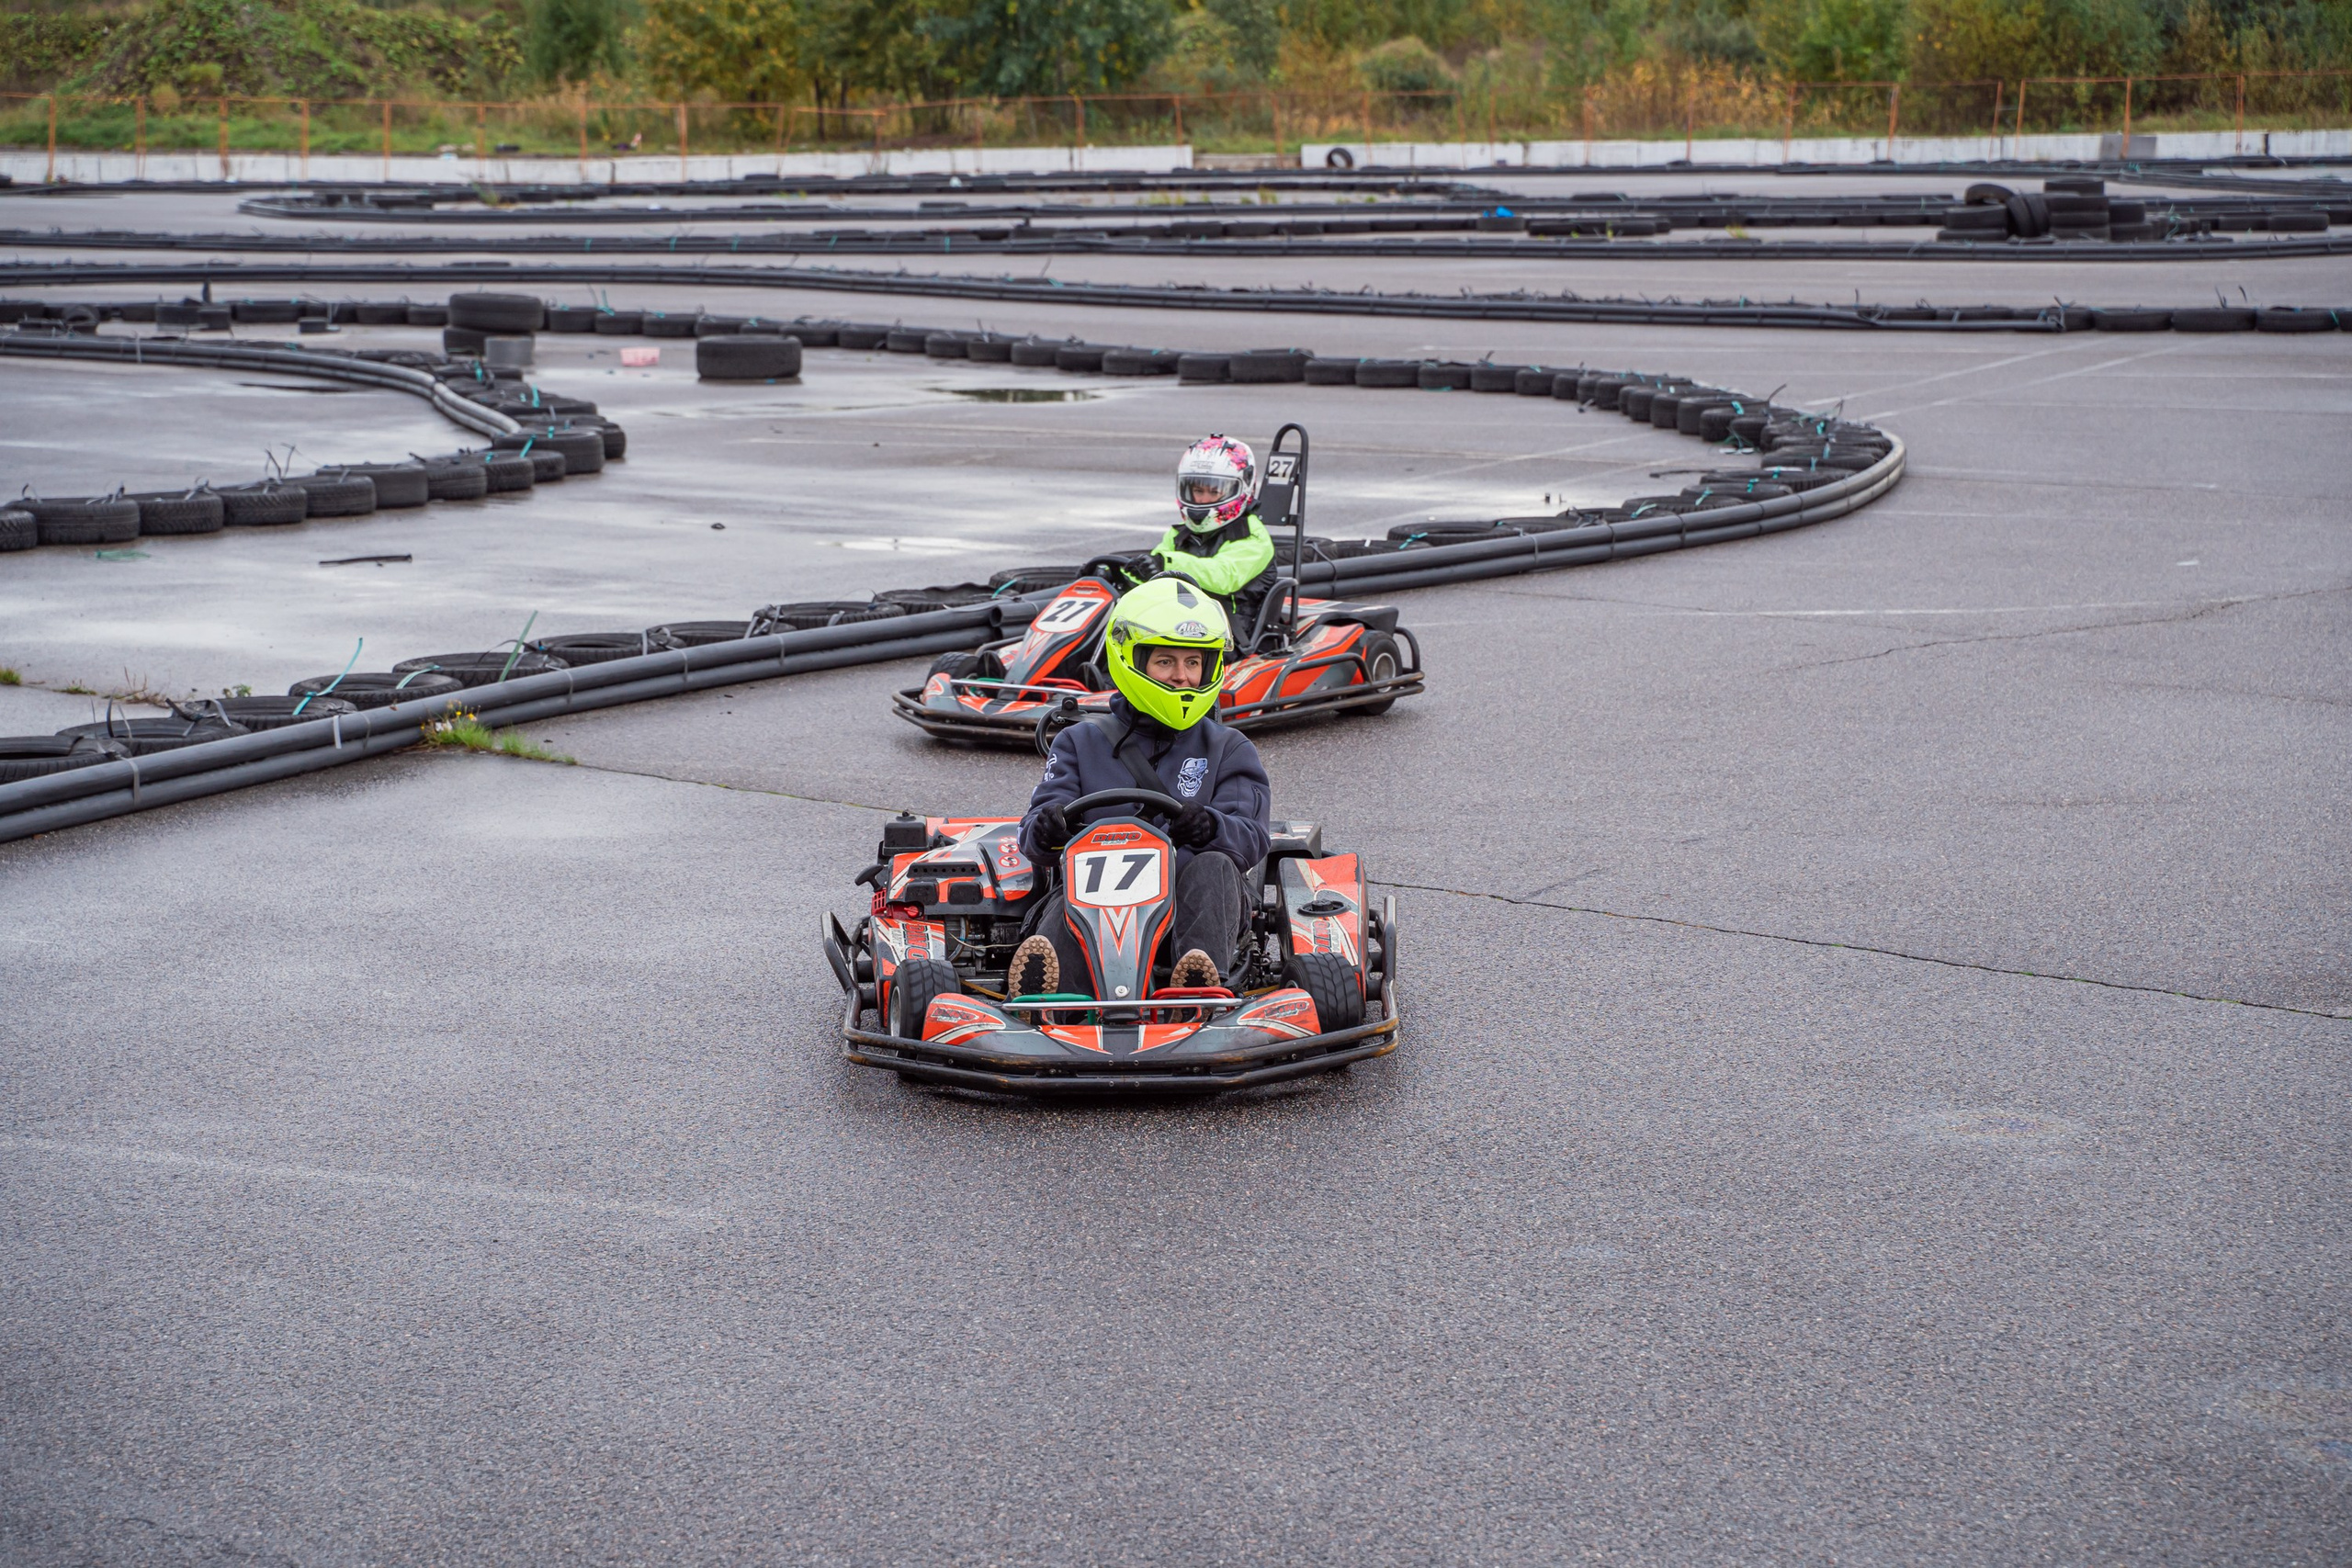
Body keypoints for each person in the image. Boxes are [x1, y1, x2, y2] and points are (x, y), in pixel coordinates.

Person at [1008, 577, 1272, 998]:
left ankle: (1197, 987)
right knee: (1066, 892)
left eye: (1193, 663)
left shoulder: (1227, 747)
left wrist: (1209, 827)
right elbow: (1033, 837)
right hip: (1095, 910)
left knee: (1214, 866)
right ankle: (1052, 1000)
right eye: (1165, 662)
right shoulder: (1079, 742)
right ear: (1132, 661)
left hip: (1191, 910)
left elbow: (1254, 838)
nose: (1183, 677)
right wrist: (1048, 829)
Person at [1146, 434, 1279, 640]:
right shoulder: (1180, 534)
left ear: (1242, 489)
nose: (1203, 499)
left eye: (1214, 491)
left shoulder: (1252, 537)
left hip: (1226, 636)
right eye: (1197, 490)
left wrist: (1166, 563)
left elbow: (1223, 577)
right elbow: (1152, 573)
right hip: (1179, 625)